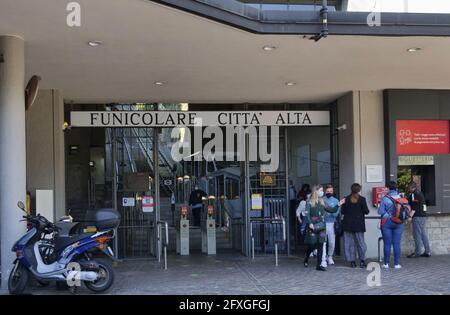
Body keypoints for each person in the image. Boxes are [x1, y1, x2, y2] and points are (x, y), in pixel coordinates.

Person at [341, 183, 369, 268]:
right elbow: (366, 211)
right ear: (359, 190)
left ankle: (352, 262)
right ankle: (362, 261)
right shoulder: (362, 199)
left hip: (348, 224)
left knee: (349, 244)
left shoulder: (345, 199)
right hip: (359, 224)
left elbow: (342, 211)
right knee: (361, 243)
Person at [378, 181, 405, 269]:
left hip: (387, 222)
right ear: (396, 188)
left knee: (387, 244)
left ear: (388, 188)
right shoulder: (401, 198)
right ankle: (397, 264)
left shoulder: (385, 198)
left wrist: (387, 215)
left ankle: (386, 263)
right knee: (397, 243)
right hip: (399, 222)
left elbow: (380, 212)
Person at [303, 185, 327, 271]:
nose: (322, 192)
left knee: (321, 244)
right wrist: (310, 223)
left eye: (322, 190)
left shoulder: (322, 201)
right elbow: (307, 213)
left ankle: (319, 265)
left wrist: (339, 204)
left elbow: (330, 209)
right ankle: (307, 256)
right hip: (313, 226)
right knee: (312, 244)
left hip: (322, 226)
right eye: (321, 190)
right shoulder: (309, 201)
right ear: (316, 191)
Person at [407, 181, 431, 258]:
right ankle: (427, 251)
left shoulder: (414, 194)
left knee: (417, 234)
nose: (408, 189)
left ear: (411, 187)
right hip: (423, 216)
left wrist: (410, 216)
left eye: (409, 187)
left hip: (417, 216)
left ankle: (417, 252)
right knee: (423, 234)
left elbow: (414, 207)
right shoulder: (420, 193)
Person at [322, 184, 340, 266]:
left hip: (332, 223)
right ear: (325, 191)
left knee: (332, 242)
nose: (329, 192)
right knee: (323, 241)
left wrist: (329, 211)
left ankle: (330, 256)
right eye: (328, 191)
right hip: (323, 223)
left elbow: (336, 213)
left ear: (333, 192)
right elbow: (321, 212)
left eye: (331, 191)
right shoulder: (321, 200)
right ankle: (323, 257)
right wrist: (330, 211)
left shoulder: (336, 201)